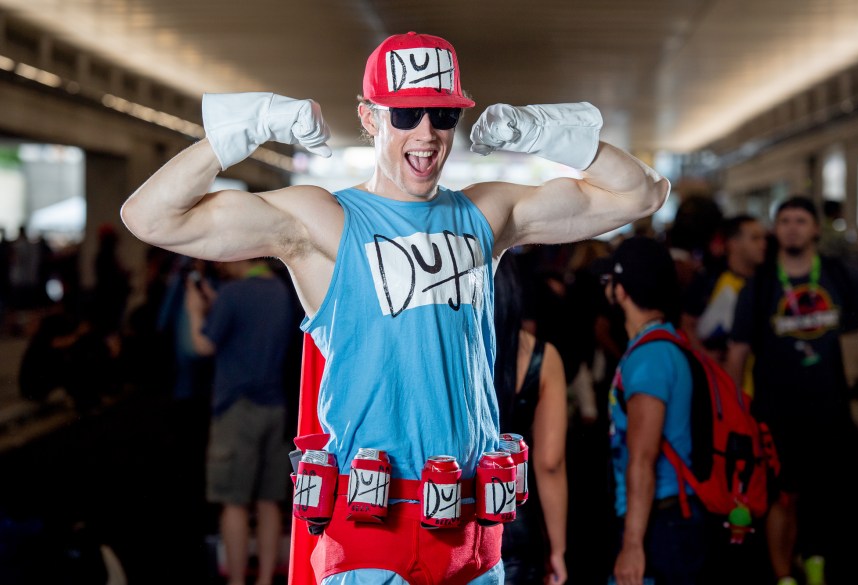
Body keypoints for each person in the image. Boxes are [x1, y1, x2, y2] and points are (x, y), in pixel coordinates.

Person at [120, 31, 669, 585]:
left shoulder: (487, 212)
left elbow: (642, 195)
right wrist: (250, 125)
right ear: (369, 117)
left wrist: (546, 133)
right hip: (370, 540)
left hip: (475, 541)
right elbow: (150, 218)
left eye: (442, 114)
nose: (426, 134)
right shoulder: (324, 221)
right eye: (405, 114)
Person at [726, 196, 858, 585]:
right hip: (776, 413)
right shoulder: (759, 287)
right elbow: (738, 352)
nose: (792, 227)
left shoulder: (838, 275)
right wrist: (733, 412)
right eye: (785, 220)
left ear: (814, 229)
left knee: (825, 497)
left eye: (801, 220)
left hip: (831, 410)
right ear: (777, 230)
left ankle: (814, 563)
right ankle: (782, 575)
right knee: (782, 496)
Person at [603, 236, 708, 585]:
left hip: (661, 522)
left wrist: (632, 544)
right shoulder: (662, 343)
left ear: (620, 291)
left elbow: (643, 458)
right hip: (665, 516)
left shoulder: (650, 357)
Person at [185, 257, 295, 585]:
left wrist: (195, 310)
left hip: (236, 408)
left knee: (233, 503)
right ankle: (263, 579)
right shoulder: (279, 289)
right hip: (275, 407)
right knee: (269, 501)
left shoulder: (234, 294)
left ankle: (235, 581)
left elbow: (203, 344)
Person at [494, 255, 568, 585]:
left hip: (452, 514)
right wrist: (558, 550)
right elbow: (550, 462)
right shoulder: (542, 356)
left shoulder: (442, 351)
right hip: (516, 522)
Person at [681, 214, 766, 374]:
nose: (763, 244)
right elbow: (686, 323)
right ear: (733, 244)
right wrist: (705, 356)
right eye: (755, 238)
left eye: (763, 238)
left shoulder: (767, 282)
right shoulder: (708, 278)